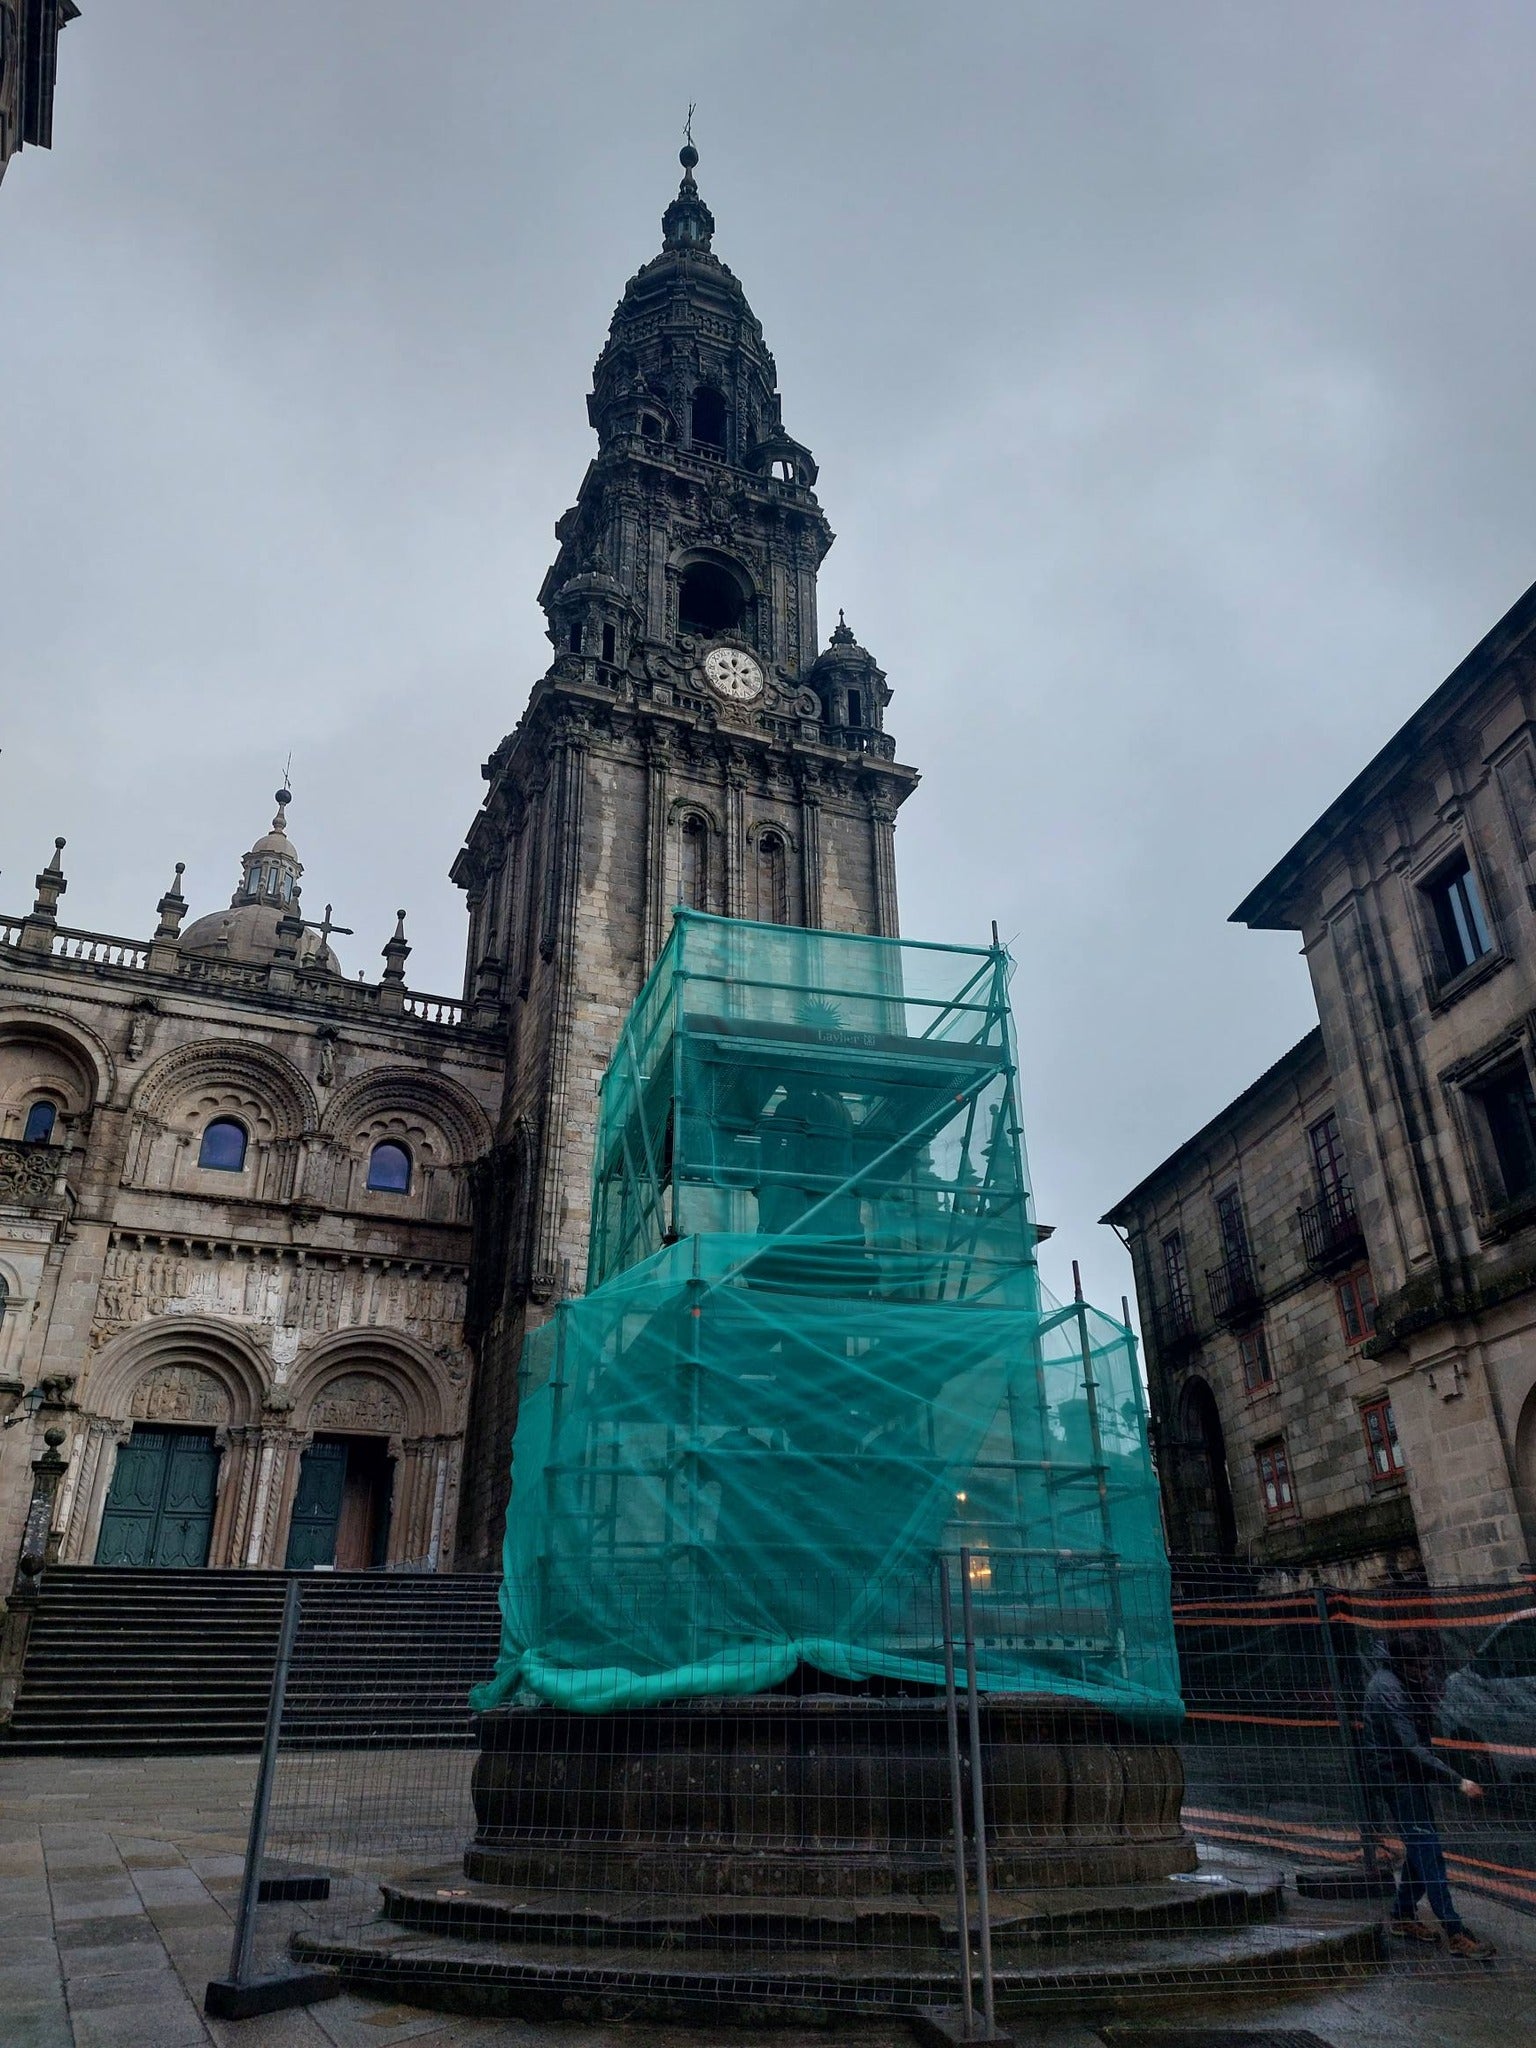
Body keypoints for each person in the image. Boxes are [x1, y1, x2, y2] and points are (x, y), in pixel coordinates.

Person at [1362, 1630, 1495, 1958]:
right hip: (1399, 1780)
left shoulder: (1397, 1678)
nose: (1424, 1673)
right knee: (1428, 1850)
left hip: (1405, 1778)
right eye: (1418, 1668)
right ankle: (1455, 1930)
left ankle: (1403, 1914)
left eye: (1426, 1667)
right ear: (1402, 1663)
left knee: (1422, 1847)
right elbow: (1411, 1747)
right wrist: (1457, 1780)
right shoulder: (1389, 1690)